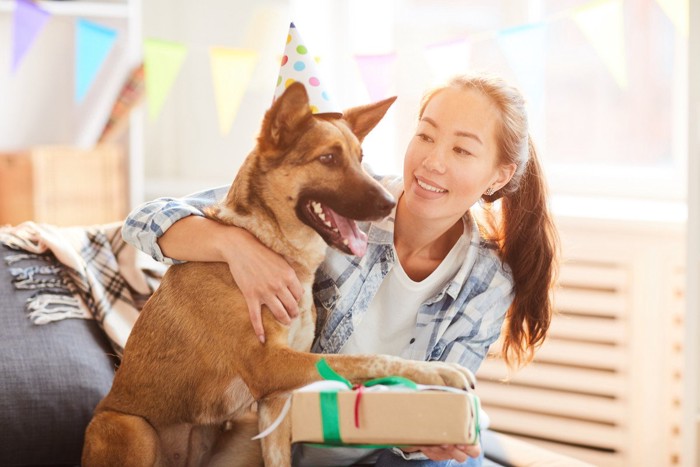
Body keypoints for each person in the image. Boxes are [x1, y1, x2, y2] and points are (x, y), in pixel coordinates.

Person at [122, 72, 559, 466]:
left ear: (498, 177)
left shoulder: (487, 281)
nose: (433, 161)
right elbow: (144, 221)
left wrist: (432, 435)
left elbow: (438, 403)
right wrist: (234, 245)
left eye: (462, 149)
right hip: (293, 442)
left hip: (392, 454)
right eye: (425, 136)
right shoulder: (326, 200)